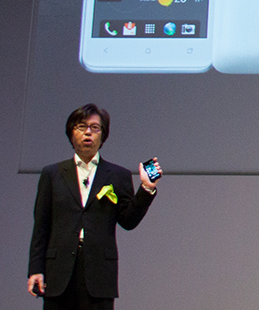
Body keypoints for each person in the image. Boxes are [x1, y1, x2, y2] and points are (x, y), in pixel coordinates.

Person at [27, 104, 161, 309]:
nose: (88, 132)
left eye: (95, 127)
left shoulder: (118, 175)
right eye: (81, 126)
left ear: (103, 135)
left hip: (99, 274)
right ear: (71, 133)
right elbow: (41, 226)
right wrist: (36, 269)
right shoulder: (52, 174)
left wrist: (147, 188)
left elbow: (128, 221)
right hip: (58, 272)